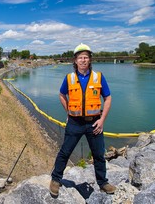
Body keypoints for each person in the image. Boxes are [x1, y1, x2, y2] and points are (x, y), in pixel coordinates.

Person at [49, 43, 116, 197]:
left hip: (94, 123)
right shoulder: (69, 78)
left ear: (89, 59)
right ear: (75, 60)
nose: (83, 60)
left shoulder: (98, 77)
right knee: (65, 152)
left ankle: (103, 183)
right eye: (80, 57)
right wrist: (68, 111)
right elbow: (61, 94)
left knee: (99, 154)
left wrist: (102, 120)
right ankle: (55, 179)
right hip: (74, 123)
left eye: (86, 57)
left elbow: (108, 97)